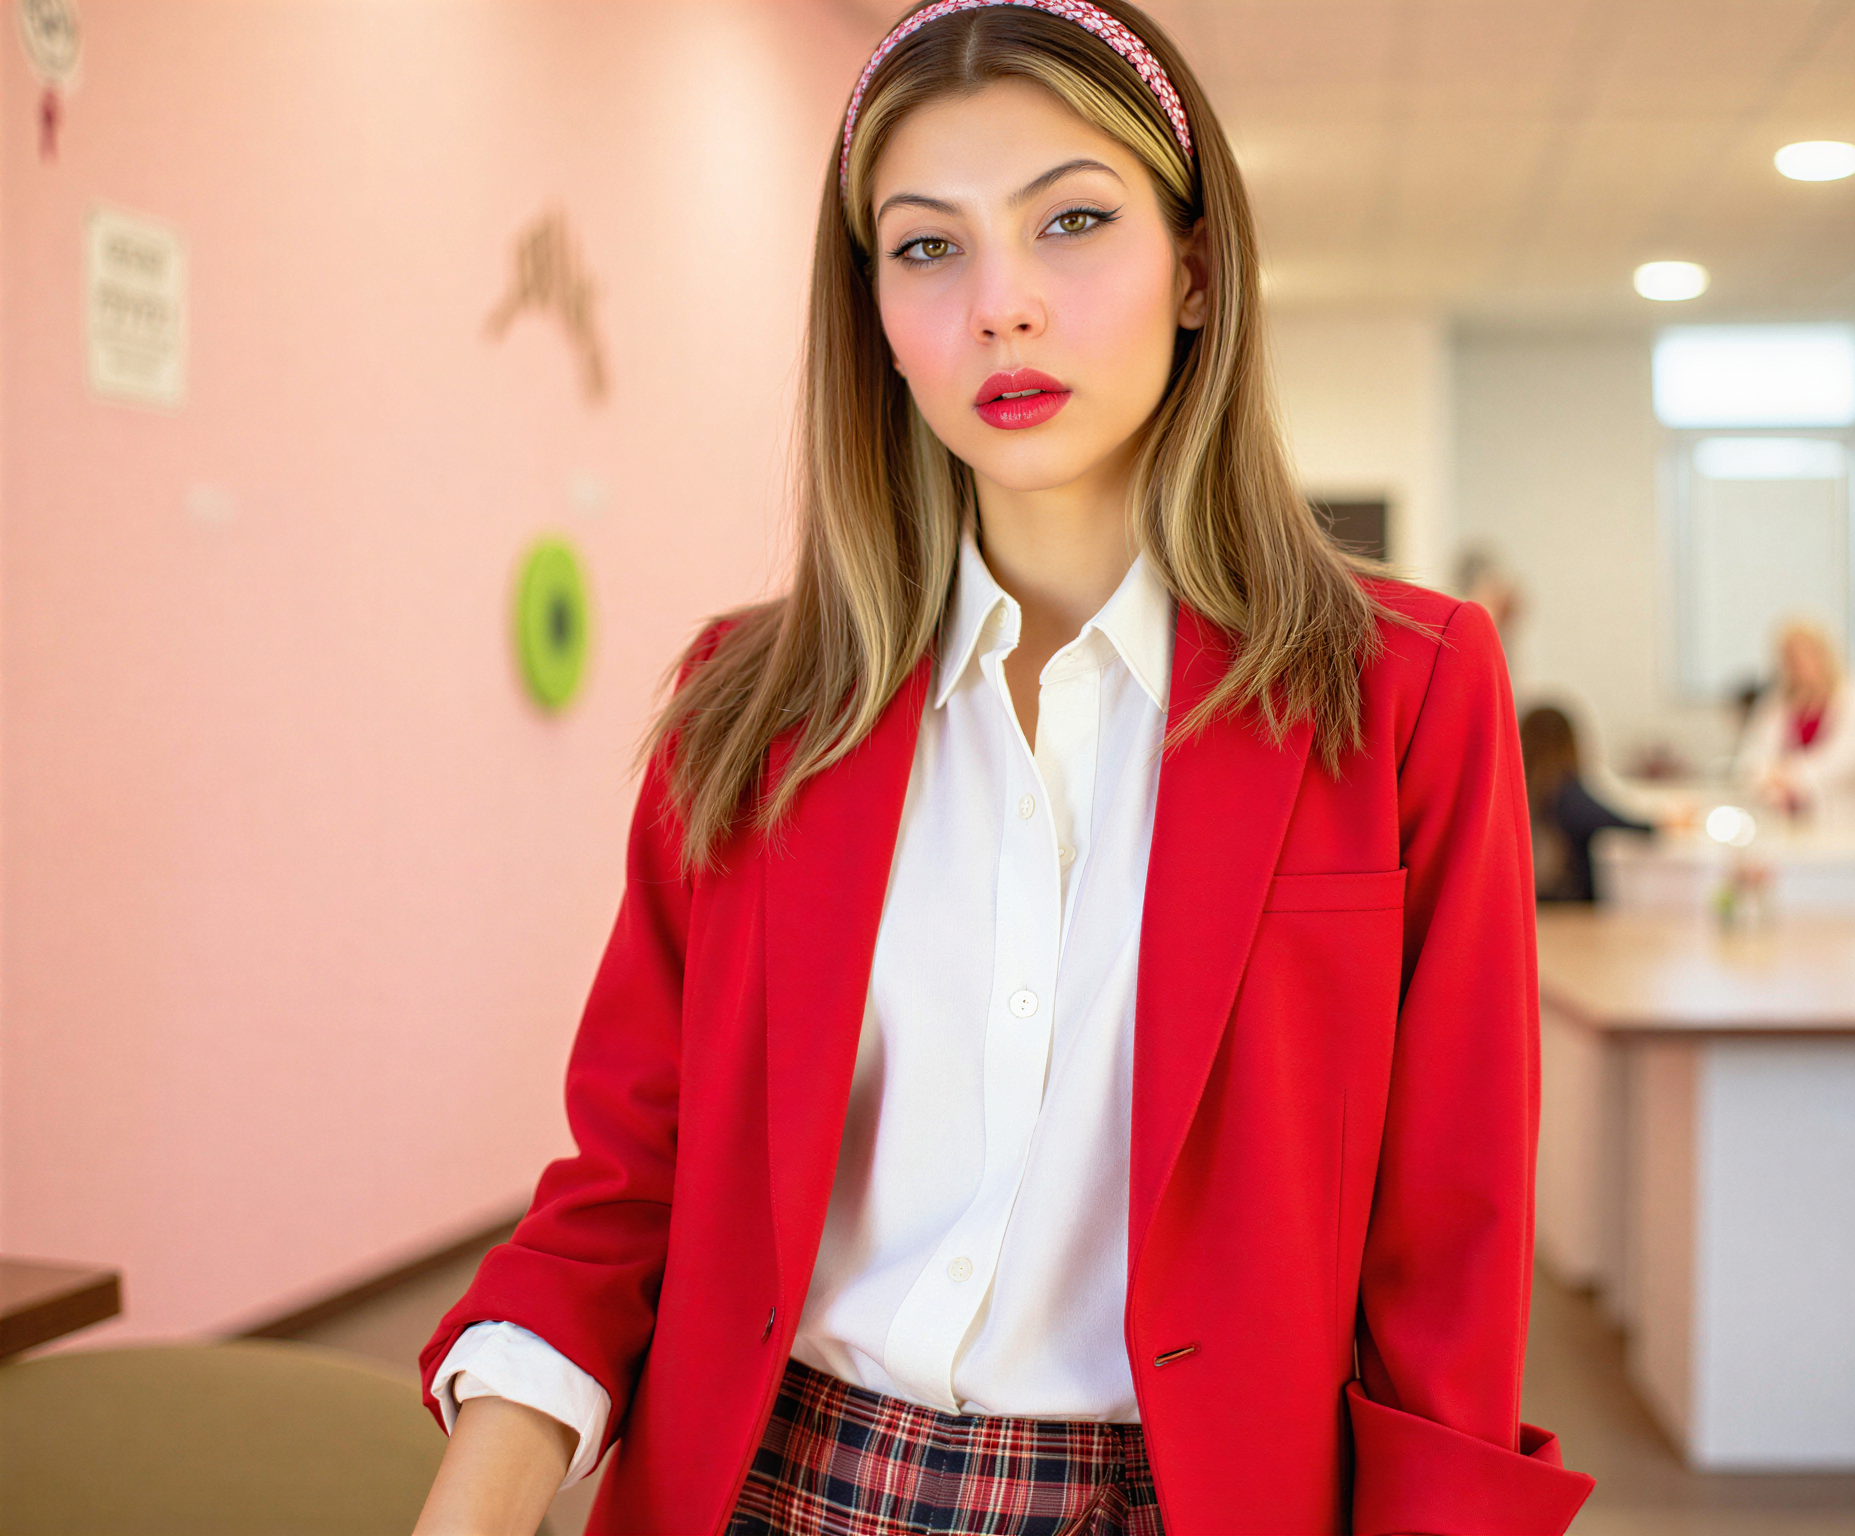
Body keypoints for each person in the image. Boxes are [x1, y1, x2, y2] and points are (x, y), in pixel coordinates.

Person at [411, 4, 1594, 1532]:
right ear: (877, 314)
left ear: (1195, 271)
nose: (1001, 308)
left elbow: (1451, 1248)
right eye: (928, 248)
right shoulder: (750, 705)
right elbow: (628, 1187)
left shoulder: (1405, 694)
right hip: (777, 1488)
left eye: (1073, 223)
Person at [1734, 620, 1855, 822]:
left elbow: (1848, 761)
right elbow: (1753, 754)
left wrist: (1790, 777)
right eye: (1790, 656)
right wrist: (1766, 777)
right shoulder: (1776, 701)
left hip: (1847, 817)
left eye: (1807, 654)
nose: (1798, 663)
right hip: (1785, 817)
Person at [1520, 705, 1652, 903]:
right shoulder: (1566, 792)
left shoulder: (1517, 792)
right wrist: (1658, 825)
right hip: (1569, 907)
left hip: (1529, 904)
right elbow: (1619, 822)